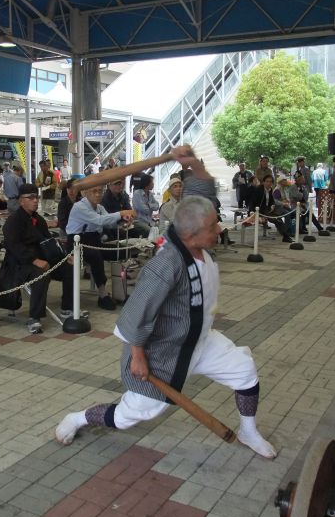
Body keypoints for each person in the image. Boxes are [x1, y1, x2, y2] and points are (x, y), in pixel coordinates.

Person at [55, 195, 276, 459]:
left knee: (243, 369)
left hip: (200, 340)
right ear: (191, 234)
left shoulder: (201, 251)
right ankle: (78, 418)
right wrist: (138, 356)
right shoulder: (166, 264)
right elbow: (136, 313)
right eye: (212, 227)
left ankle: (248, 431)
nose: (219, 229)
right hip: (164, 353)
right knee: (127, 416)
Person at [2, 183, 81, 334]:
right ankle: (34, 317)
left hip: (42, 259)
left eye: (36, 197)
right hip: (20, 264)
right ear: (21, 201)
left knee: (70, 269)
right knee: (41, 275)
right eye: (30, 198)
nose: (35, 200)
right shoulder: (13, 221)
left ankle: (67, 308)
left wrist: (64, 257)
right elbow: (14, 246)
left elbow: (49, 242)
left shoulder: (39, 220)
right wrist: (34, 260)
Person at [66, 185, 135, 310]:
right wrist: (121, 213)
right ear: (85, 192)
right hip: (76, 243)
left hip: (94, 241)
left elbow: (109, 222)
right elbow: (99, 220)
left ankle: (120, 291)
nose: (98, 194)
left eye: (100, 191)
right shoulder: (79, 207)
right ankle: (103, 295)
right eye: (94, 191)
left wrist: (123, 221)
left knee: (122, 251)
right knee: (95, 255)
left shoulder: (100, 207)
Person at [248, 174, 293, 243]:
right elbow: (251, 201)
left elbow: (272, 201)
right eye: (267, 181)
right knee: (277, 220)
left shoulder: (270, 189)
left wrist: (272, 205)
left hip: (267, 211)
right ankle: (286, 236)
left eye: (270, 182)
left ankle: (286, 236)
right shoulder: (258, 189)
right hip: (258, 211)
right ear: (263, 182)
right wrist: (251, 211)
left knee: (279, 220)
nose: (269, 183)